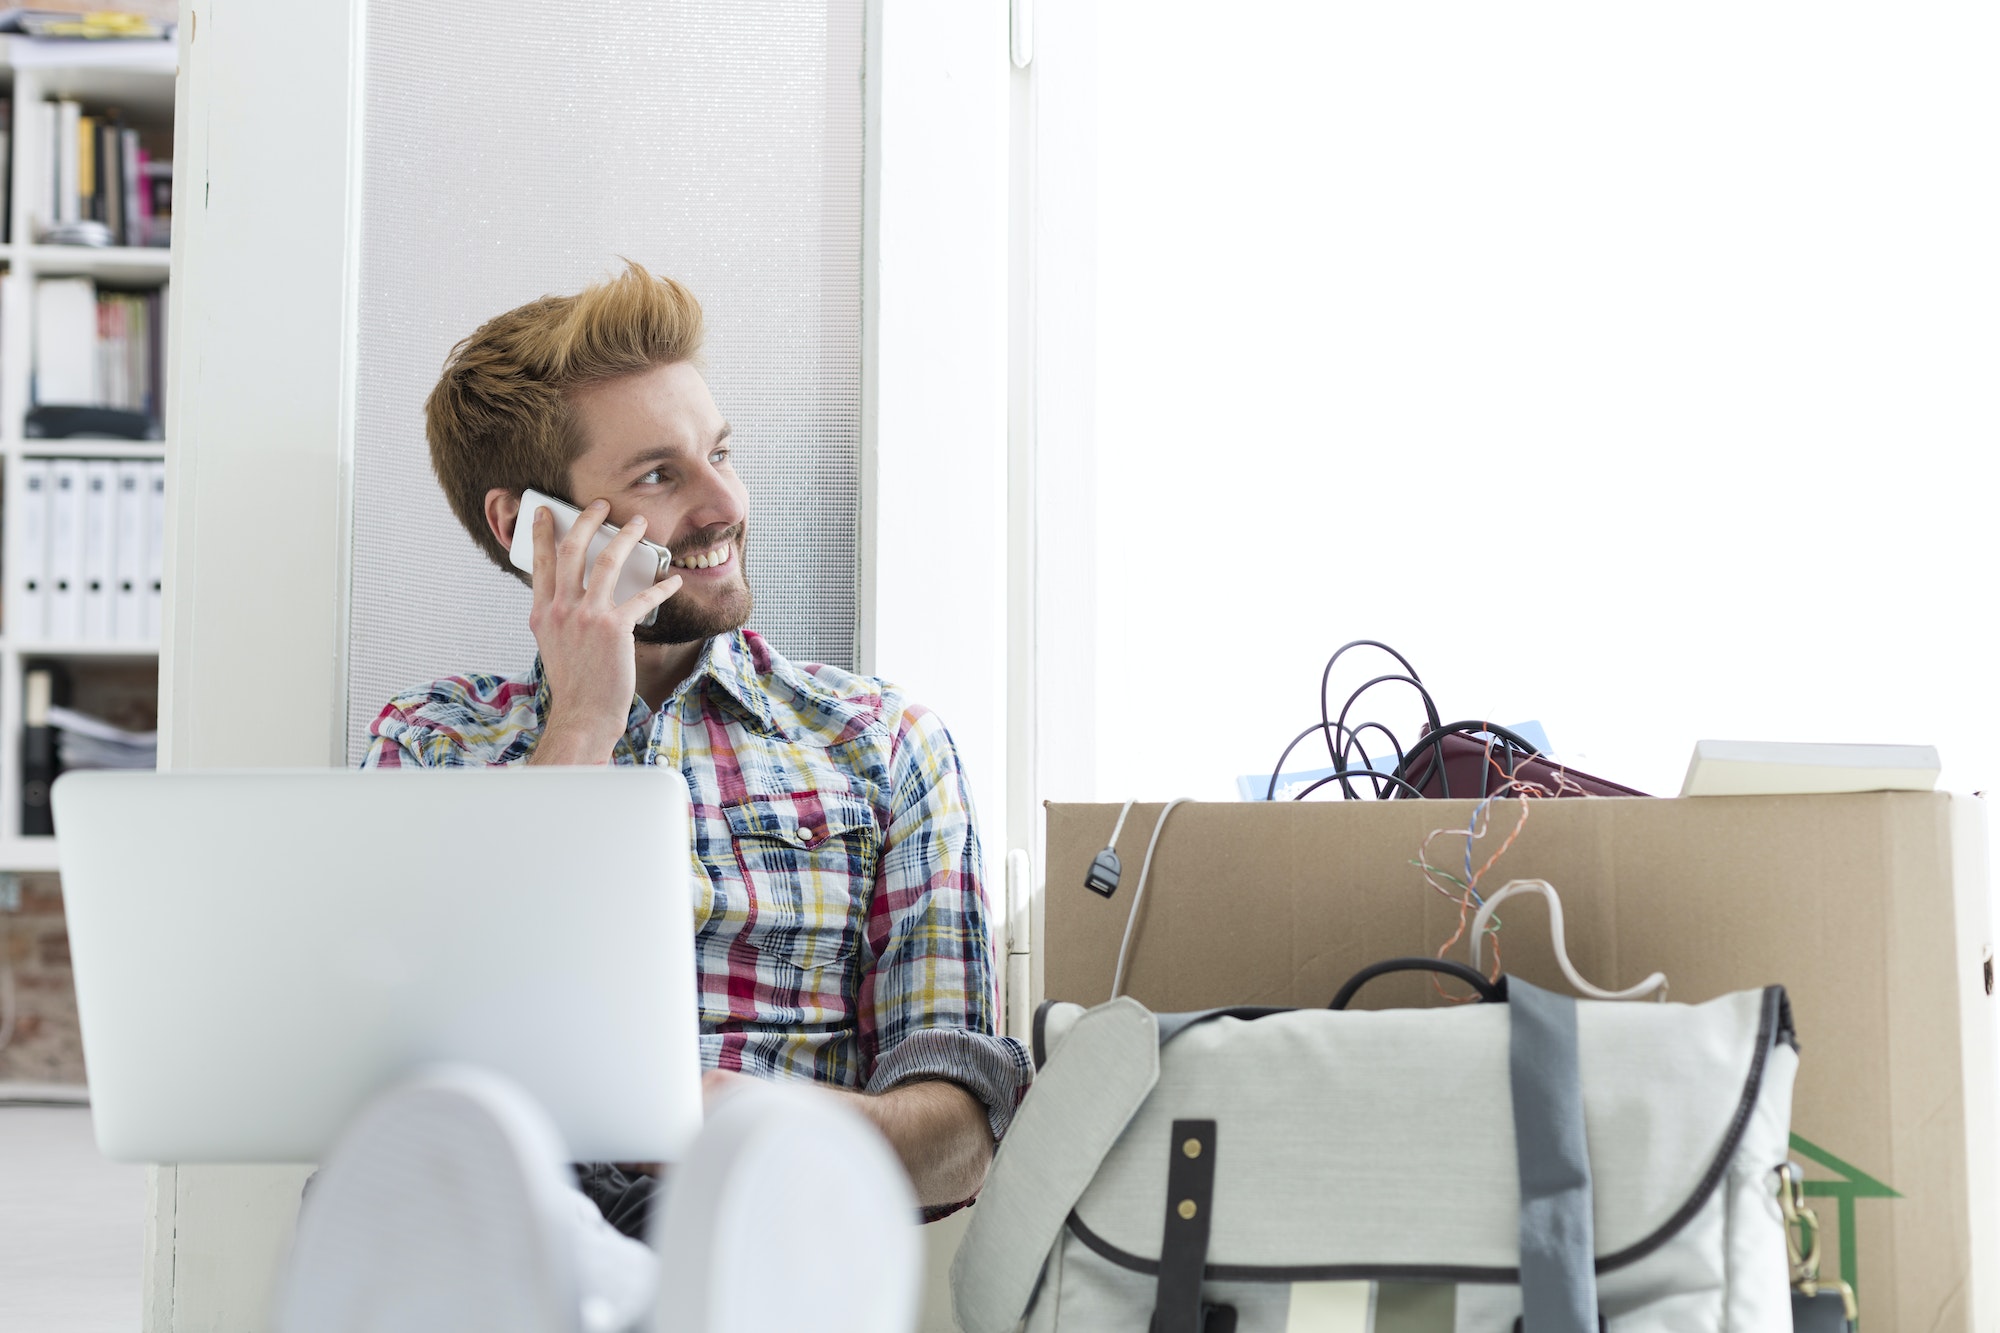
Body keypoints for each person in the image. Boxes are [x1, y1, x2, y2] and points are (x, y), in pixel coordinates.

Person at [300, 262, 1028, 1327]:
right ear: (530, 527)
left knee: (734, 1182)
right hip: (505, 1220)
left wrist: (754, 1118)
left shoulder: (880, 745)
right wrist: (581, 725)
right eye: (658, 475)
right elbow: (418, 1066)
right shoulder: (434, 743)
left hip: (758, 1226)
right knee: (447, 1162)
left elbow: (960, 1137)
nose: (725, 503)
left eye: (720, 452)